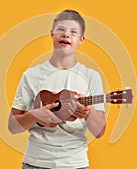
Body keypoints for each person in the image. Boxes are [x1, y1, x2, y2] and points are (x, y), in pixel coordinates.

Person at [8, 9, 106, 169]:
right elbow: (12, 126)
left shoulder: (91, 76)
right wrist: (34, 116)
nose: (66, 35)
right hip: (35, 163)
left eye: (73, 32)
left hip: (76, 164)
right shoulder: (31, 75)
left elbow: (99, 132)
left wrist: (88, 113)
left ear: (81, 39)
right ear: (52, 34)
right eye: (61, 29)